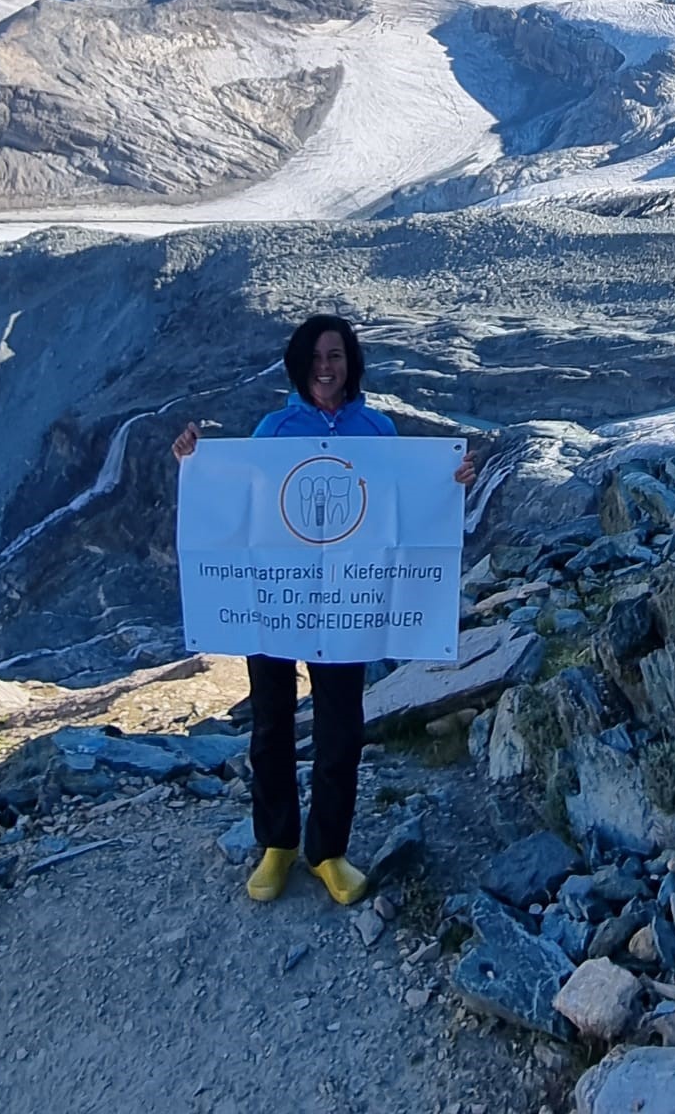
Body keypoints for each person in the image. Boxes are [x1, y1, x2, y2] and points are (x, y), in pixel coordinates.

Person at [173, 313, 475, 906]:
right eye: (314, 358)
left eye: (334, 356)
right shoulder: (274, 427)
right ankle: (277, 844)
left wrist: (450, 482)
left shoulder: (377, 429)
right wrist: (194, 462)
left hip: (347, 605)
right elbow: (239, 501)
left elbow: (403, 509)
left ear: (351, 363)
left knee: (340, 730)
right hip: (277, 601)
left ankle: (328, 851)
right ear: (298, 364)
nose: (324, 369)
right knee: (271, 724)